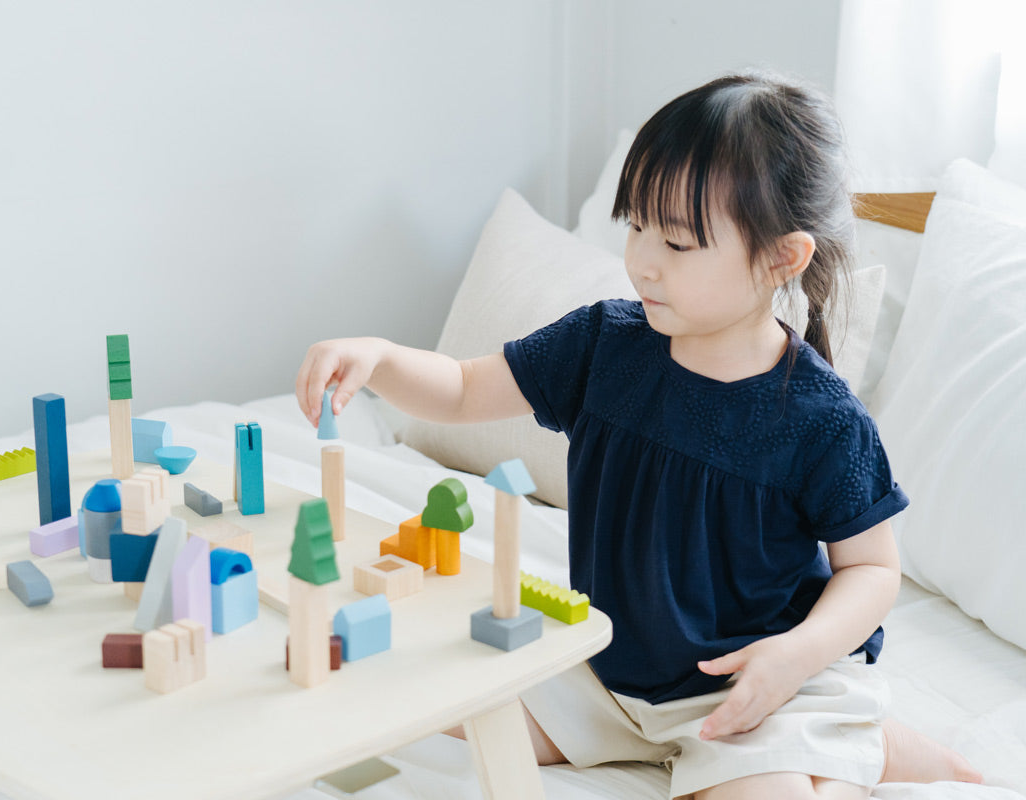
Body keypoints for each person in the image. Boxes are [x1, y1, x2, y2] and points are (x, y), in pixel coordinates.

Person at [294, 72, 981, 799]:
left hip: (751, 685)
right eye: (636, 226)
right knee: (434, 707)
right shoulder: (604, 345)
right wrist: (380, 358)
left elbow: (872, 571)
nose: (642, 261)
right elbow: (465, 388)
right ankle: (839, 746)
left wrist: (794, 658)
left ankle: (856, 742)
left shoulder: (821, 417)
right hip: (608, 669)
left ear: (783, 257)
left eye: (678, 243)